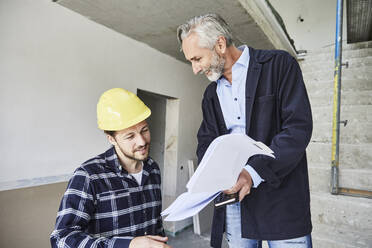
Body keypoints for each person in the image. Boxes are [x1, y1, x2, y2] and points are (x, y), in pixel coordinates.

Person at [177, 14, 313, 248]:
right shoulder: (211, 94)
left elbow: (297, 129)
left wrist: (251, 172)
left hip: (280, 195)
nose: (195, 69)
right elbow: (206, 141)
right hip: (234, 200)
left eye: (197, 59)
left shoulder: (279, 65)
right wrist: (211, 174)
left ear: (220, 44)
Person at [50, 88, 171, 248]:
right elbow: (62, 239)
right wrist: (127, 245)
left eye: (144, 130)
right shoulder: (88, 176)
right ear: (111, 139)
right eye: (130, 136)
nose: (142, 141)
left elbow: (155, 223)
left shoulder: (153, 169)